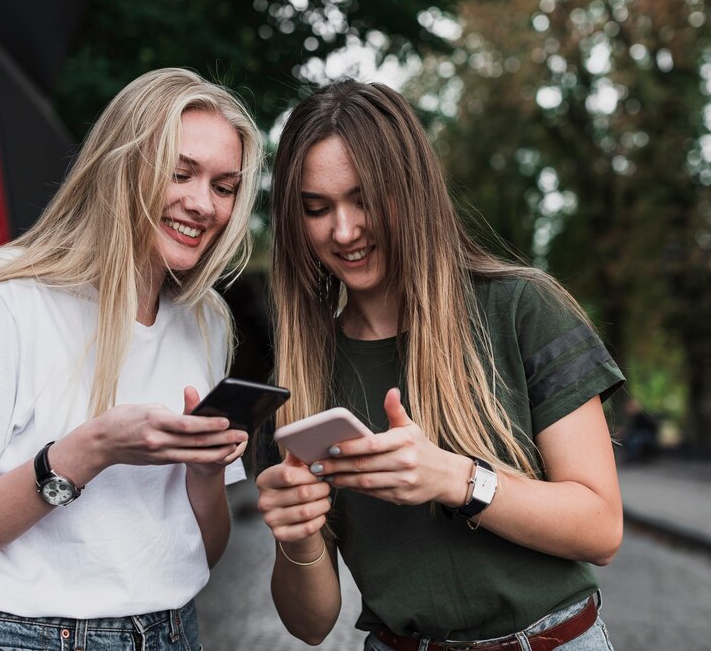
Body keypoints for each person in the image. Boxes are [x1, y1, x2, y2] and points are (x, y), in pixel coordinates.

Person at [255, 79, 625, 651]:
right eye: (316, 208)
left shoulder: (522, 308)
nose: (345, 230)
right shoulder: (299, 378)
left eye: (365, 198)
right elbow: (311, 626)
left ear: (412, 189)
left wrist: (455, 479)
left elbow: (601, 529)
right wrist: (298, 540)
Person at [0, 67, 263, 651]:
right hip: (23, 637)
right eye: (180, 173)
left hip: (171, 630)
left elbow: (203, 550)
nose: (203, 204)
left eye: (224, 187)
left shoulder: (207, 319)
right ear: (120, 165)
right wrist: (86, 451)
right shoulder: (7, 301)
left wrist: (204, 473)